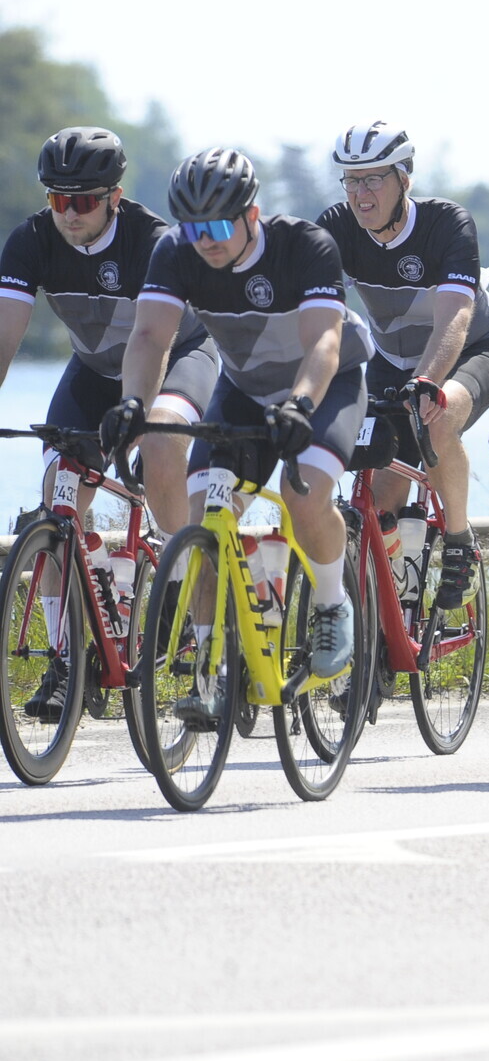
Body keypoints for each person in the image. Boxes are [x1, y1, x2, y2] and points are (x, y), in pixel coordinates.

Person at [104, 148, 375, 713]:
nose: (204, 240)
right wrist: (132, 403)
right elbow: (150, 337)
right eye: (193, 227)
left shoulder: (305, 245)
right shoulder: (175, 252)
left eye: (218, 226)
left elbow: (324, 342)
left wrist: (301, 404)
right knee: (204, 520)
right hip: (246, 390)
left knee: (303, 496)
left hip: (324, 386)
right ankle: (212, 671)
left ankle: (332, 603)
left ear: (252, 215)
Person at [0, 127, 221, 722]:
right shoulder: (31, 241)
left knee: (161, 447)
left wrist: (137, 413)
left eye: (83, 200)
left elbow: (152, 338)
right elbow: (3, 336)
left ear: (114, 198)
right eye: (57, 199)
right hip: (96, 369)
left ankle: (190, 608)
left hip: (176, 359)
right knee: (58, 496)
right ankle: (64, 663)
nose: (68, 213)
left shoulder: (154, 243)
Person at [317, 121, 489, 610]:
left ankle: (460, 544)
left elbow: (455, 317)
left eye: (373, 179)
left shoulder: (446, 224)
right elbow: (309, 310)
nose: (360, 194)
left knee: (437, 418)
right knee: (378, 496)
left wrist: (427, 380)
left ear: (404, 179)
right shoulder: (336, 226)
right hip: (390, 363)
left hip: (466, 353)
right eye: (351, 180)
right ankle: (392, 599)